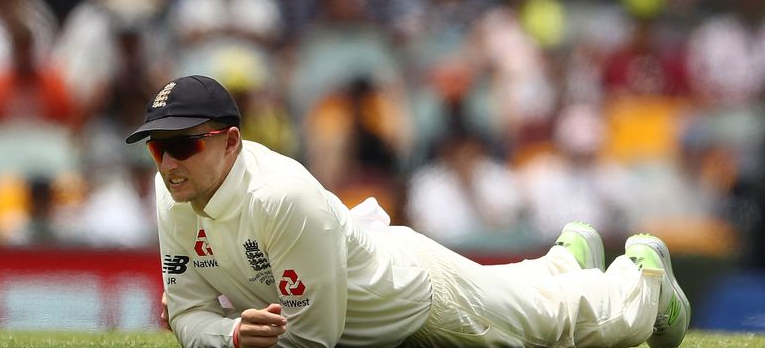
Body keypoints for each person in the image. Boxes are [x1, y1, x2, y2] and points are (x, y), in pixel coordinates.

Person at [126, 75, 690, 348]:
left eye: (183, 146)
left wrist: (232, 337)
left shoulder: (280, 196)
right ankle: (564, 266)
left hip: (415, 302)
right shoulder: (171, 191)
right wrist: (228, 338)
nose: (168, 163)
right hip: (376, 287)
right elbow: (185, 312)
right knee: (533, 304)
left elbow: (315, 341)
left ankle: (643, 284)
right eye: (157, 148)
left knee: (554, 330)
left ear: (230, 142)